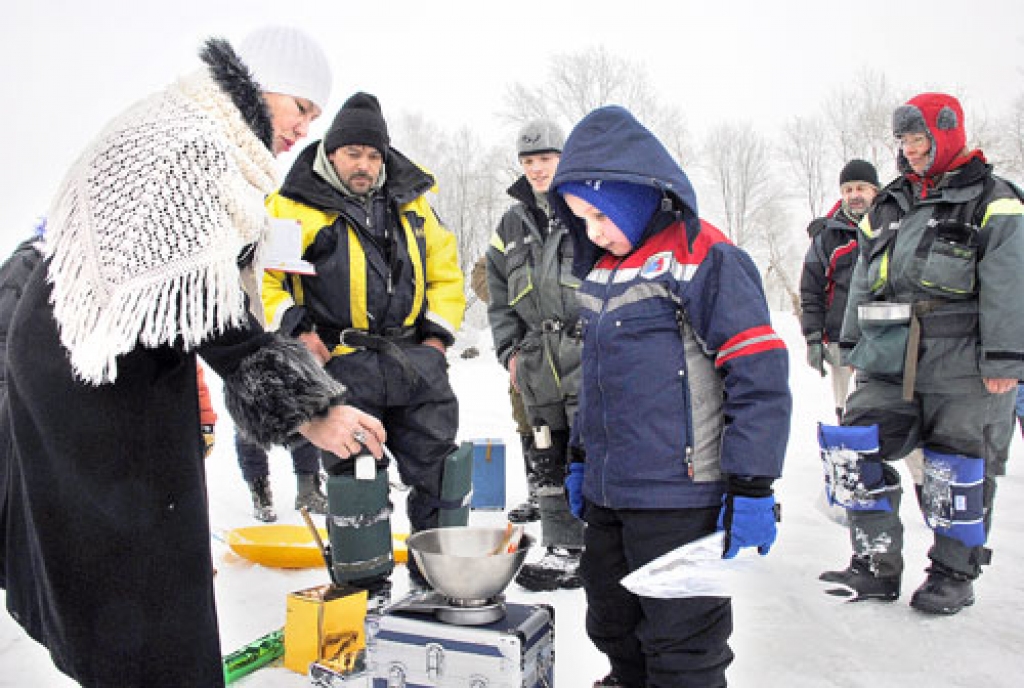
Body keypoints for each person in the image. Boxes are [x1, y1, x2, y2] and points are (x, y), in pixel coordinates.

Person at [0, 27, 390, 688]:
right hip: (95, 377)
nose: (305, 128)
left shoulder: (188, 125)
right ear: (261, 83)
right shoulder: (193, 142)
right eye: (301, 107)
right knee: (144, 579)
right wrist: (314, 409)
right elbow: (206, 301)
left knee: (127, 569)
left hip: (94, 360)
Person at [551, 105, 791, 688]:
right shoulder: (603, 272)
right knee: (611, 622)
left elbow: (757, 372)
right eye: (581, 219)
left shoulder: (705, 257)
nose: (593, 232)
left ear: (633, 195)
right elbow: (597, 379)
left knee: (682, 643)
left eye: (600, 215)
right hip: (611, 490)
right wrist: (581, 458)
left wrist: (753, 484)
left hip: (679, 494)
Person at [820, 92, 1024, 615]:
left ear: (946, 134)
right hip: (890, 352)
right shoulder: (889, 202)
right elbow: (863, 275)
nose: (910, 150)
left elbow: (1010, 280)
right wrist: (851, 343)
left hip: (964, 360)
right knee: (852, 447)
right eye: (904, 140)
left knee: (958, 469)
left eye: (920, 139)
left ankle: (954, 574)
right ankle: (875, 562)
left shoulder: (993, 198)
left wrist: (1005, 359)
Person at [261, 91, 465, 587]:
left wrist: (436, 342)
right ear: (331, 152)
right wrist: (298, 331)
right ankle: (364, 591)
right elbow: (265, 282)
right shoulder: (289, 206)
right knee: (358, 484)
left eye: (374, 155)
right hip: (342, 362)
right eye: (353, 153)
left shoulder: (414, 204)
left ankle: (441, 585)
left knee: (443, 474)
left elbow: (446, 274)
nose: (364, 165)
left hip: (415, 362)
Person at [485, 119, 585, 591]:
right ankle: (562, 546)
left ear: (564, 158)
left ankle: (601, 543)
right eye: (528, 161)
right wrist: (509, 350)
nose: (537, 168)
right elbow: (498, 294)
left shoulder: (586, 208)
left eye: (545, 158)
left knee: (590, 449)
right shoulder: (511, 223)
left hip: (585, 350)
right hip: (535, 356)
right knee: (545, 450)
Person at [800, 159, 879, 421]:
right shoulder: (826, 236)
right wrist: (813, 336)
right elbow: (811, 289)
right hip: (839, 337)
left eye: (861, 188)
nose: (854, 195)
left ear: (875, 191)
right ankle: (846, 438)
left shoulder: (890, 225)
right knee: (846, 409)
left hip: (882, 335)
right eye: (848, 190)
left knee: (882, 407)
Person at [470, 255, 538, 522]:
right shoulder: (513, 238)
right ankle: (539, 493)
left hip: (570, 343)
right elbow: (481, 274)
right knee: (526, 418)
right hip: (525, 346)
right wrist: (515, 298)